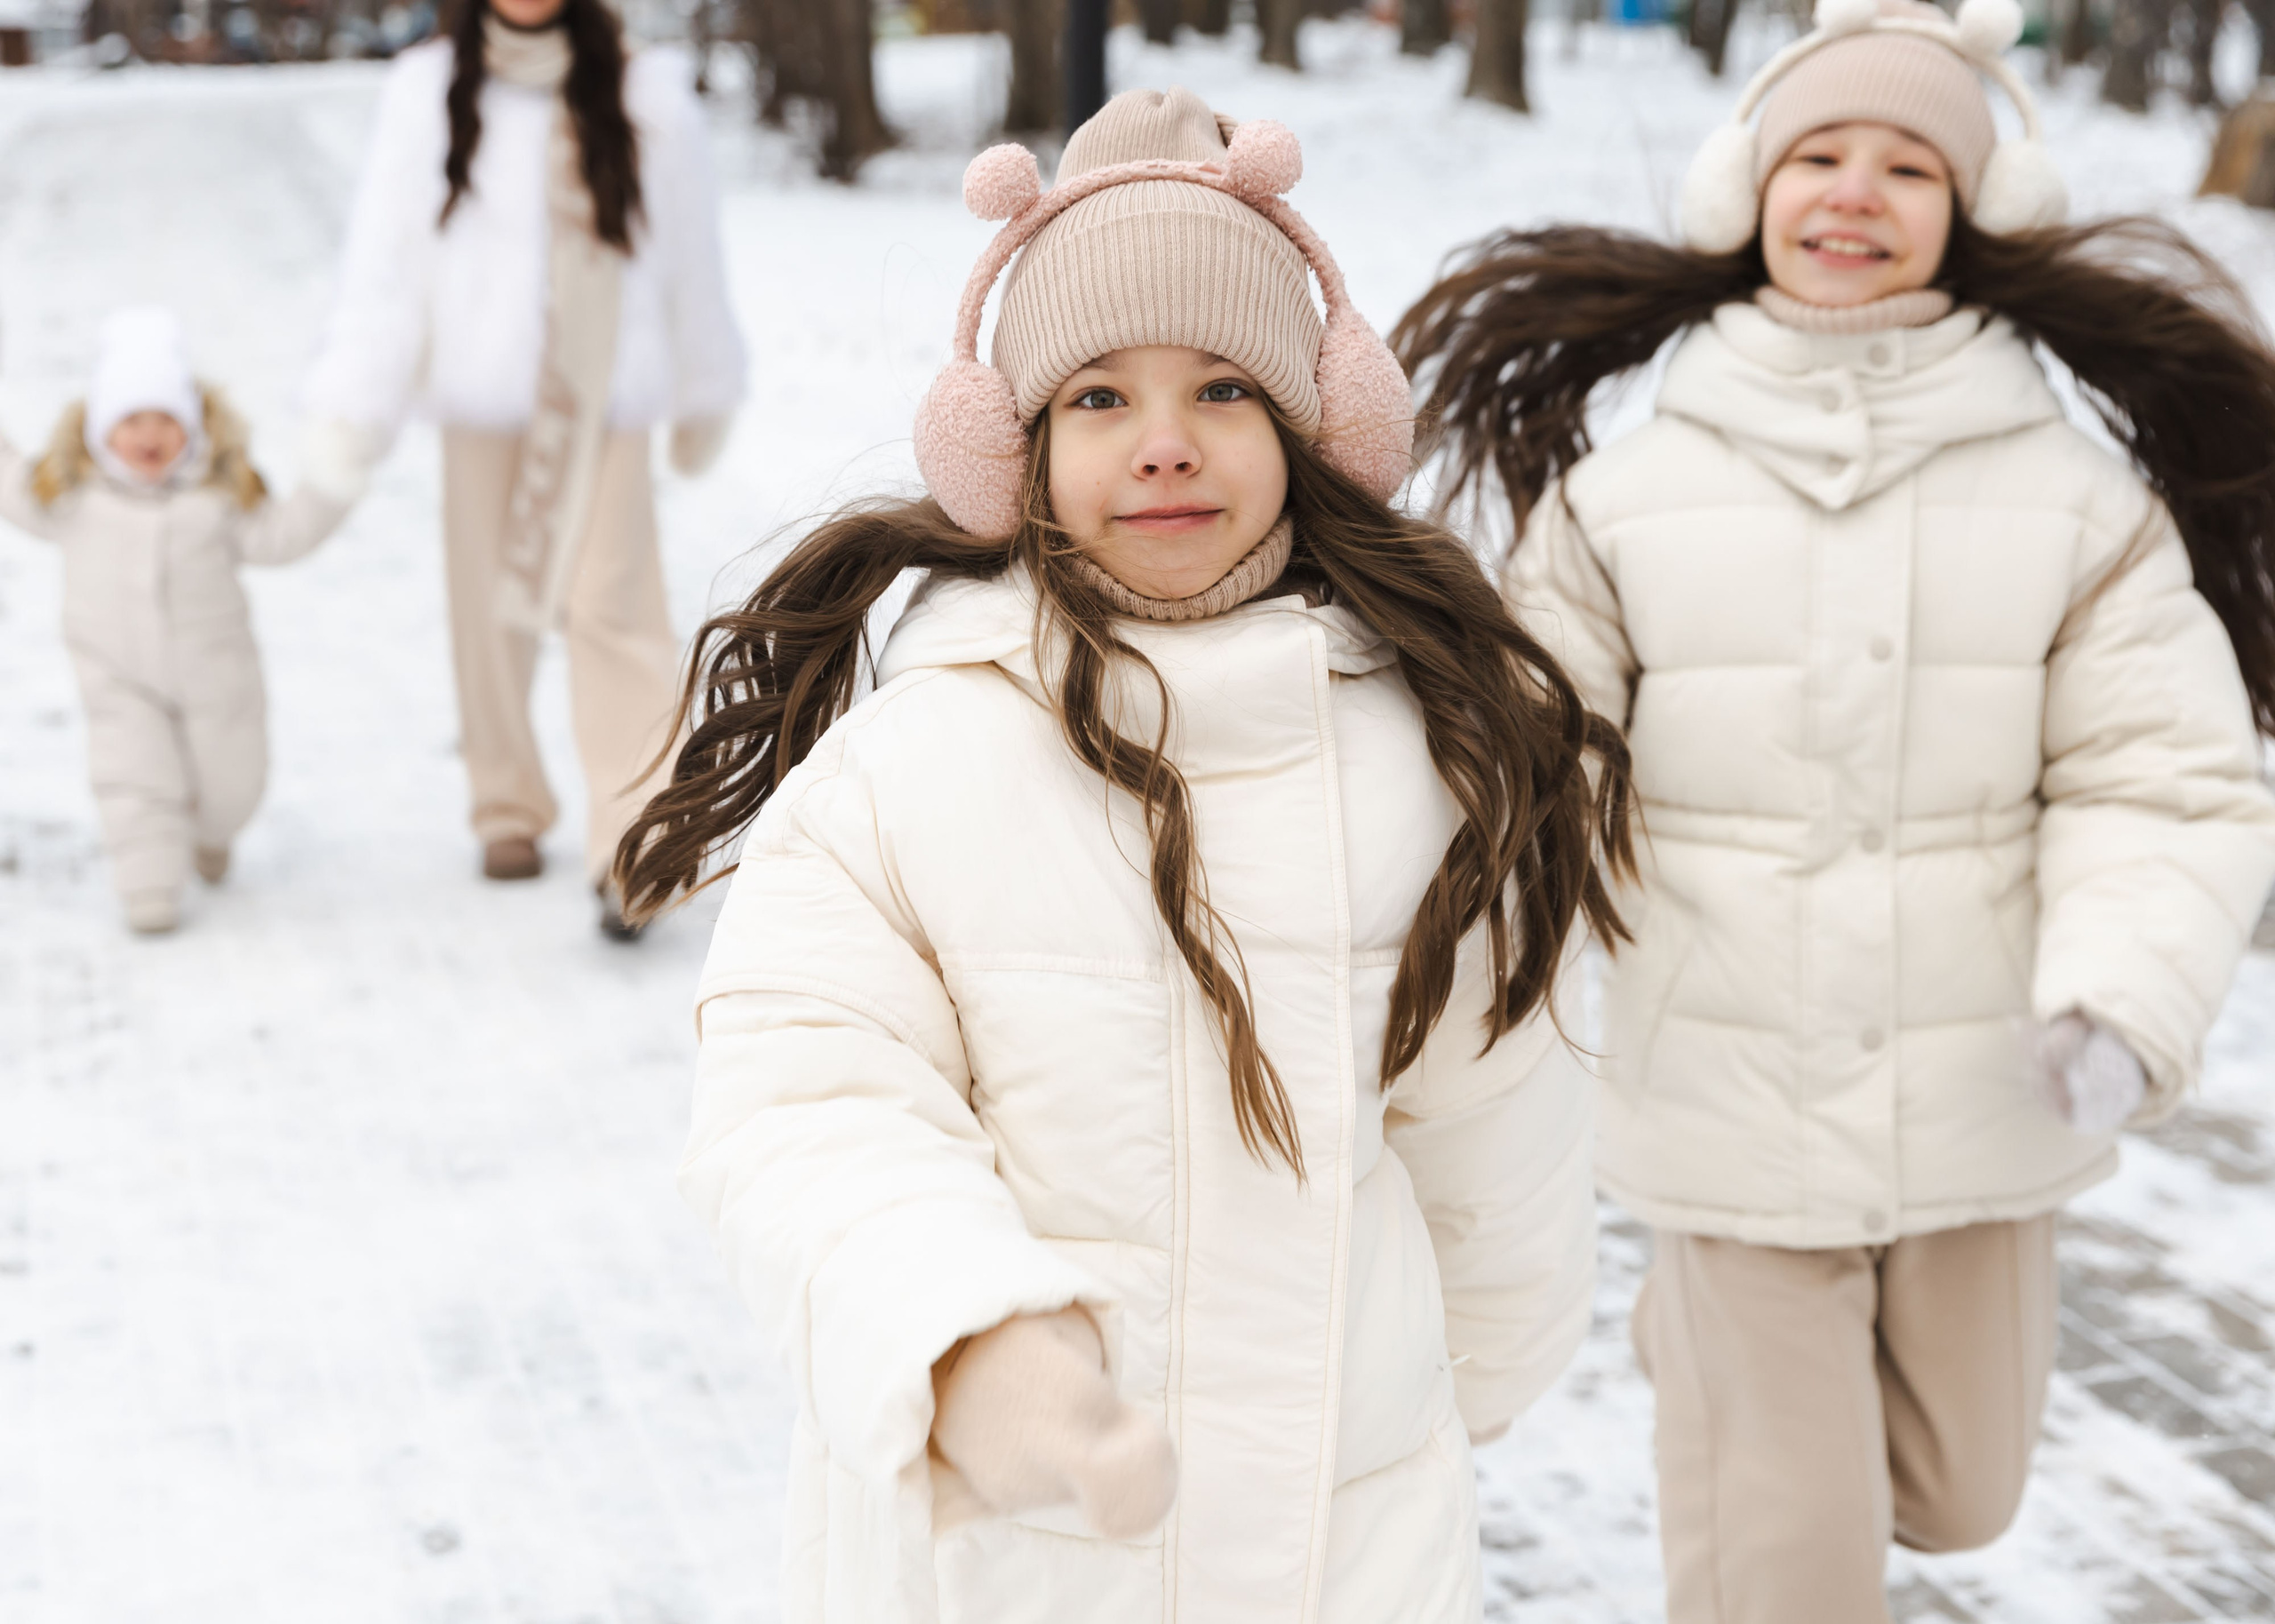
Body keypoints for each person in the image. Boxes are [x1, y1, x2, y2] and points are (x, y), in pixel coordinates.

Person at [615, 88, 1634, 1621]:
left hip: (1345, 1540)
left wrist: (1463, 1376)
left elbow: (1498, 1130)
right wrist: (968, 1341)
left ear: (1314, 430)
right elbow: (807, 1095)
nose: (1164, 444)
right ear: (1011, 447)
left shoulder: (1432, 761)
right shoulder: (909, 766)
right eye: (1098, 398)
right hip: (999, 1547)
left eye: (1224, 389)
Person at [1392, 2, 2275, 1619]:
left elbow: (2162, 771)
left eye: (1907, 164)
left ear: (1980, 212)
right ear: (1746, 194)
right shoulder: (1632, 497)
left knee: (1961, 1486)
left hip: (1986, 1096)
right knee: (1791, 1560)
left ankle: (1726, 1377)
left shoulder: (2079, 504)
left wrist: (2125, 988)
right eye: (1817, 154)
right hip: (1730, 1097)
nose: (1854, 191)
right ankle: (1731, 1378)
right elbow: (1537, 748)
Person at [303, 0, 746, 935]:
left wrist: (706, 382)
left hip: (605, 398)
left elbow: (690, 256)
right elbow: (386, 262)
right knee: (488, 612)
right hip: (481, 391)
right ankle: (505, 801)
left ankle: (633, 838)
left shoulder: (645, 91)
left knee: (615, 609)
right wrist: (357, 400)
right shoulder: (426, 92)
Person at [0, 306, 365, 934]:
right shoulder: (72, 499)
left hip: (216, 677)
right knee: (133, 778)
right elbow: (10, 486)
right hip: (118, 676)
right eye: (131, 420)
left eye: (166, 419)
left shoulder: (218, 498)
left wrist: (332, 478)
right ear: (97, 431)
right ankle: (148, 886)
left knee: (233, 787)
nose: (149, 435)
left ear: (194, 426)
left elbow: (283, 535)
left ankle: (212, 834)